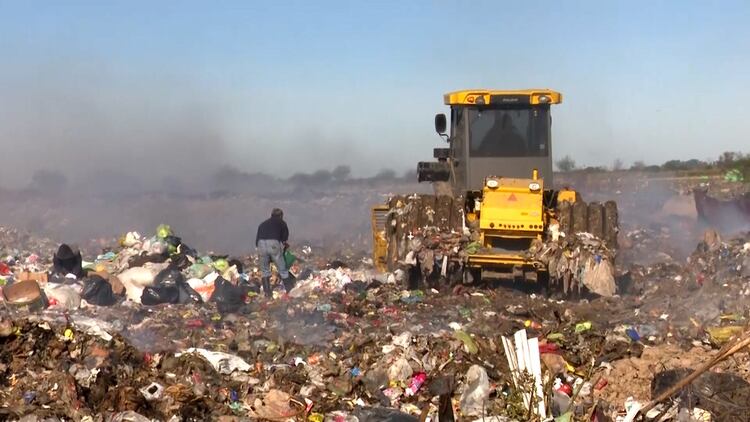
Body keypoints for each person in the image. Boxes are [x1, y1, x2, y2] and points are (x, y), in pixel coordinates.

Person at [256, 208, 294, 297]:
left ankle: (267, 294)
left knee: (265, 270)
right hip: (273, 244)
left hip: (260, 244)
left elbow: (257, 239)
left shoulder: (263, 224)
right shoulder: (281, 222)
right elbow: (284, 237)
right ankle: (290, 291)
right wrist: (284, 243)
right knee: (282, 269)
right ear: (281, 216)